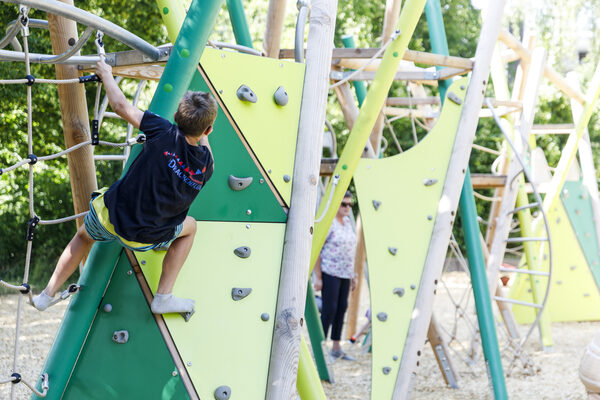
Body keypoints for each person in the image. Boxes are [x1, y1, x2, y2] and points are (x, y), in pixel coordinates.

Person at [30, 59, 217, 319]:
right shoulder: (207, 166)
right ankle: (164, 295)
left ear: (175, 117)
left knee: (83, 236)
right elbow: (204, 145)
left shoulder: (162, 130)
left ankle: (47, 294)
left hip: (111, 219)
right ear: (208, 129)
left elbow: (120, 106)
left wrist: (106, 73)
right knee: (191, 227)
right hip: (149, 239)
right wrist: (203, 130)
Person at [313, 191, 358, 361]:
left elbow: (350, 250)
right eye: (344, 204)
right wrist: (317, 276)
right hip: (330, 271)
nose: (347, 208)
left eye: (349, 205)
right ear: (336, 205)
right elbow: (317, 249)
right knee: (329, 308)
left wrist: (353, 274)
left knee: (341, 308)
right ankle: (321, 348)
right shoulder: (329, 223)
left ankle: (336, 347)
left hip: (345, 273)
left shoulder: (347, 223)